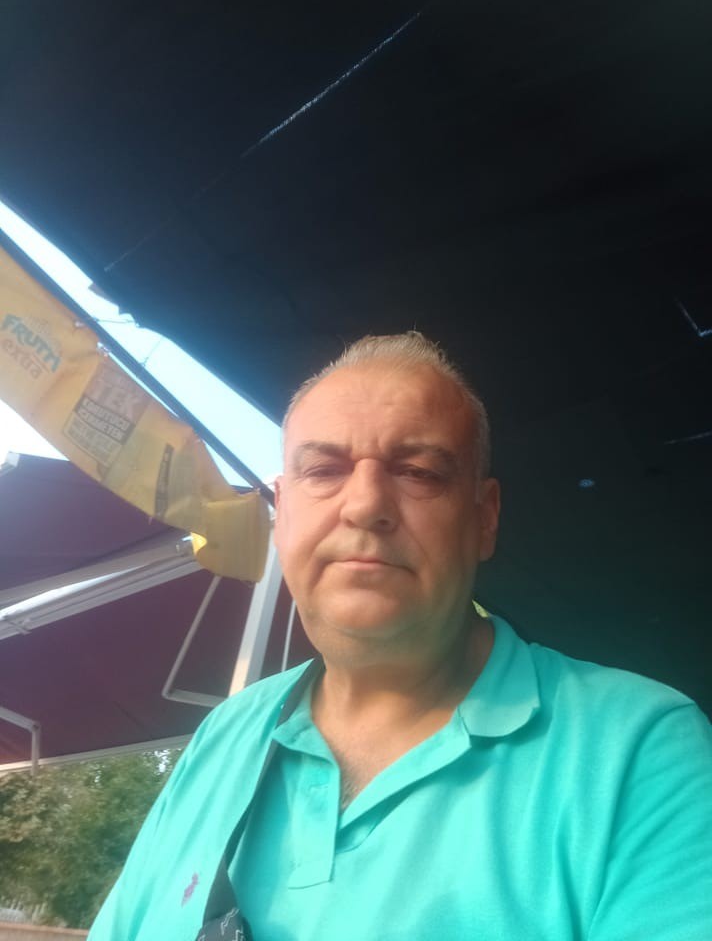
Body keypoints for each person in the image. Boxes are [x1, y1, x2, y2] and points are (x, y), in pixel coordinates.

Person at [89, 332, 712, 940]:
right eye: (323, 470)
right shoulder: (223, 737)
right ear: (282, 514)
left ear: (484, 517)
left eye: (418, 472)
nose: (365, 505)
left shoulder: (639, 752)